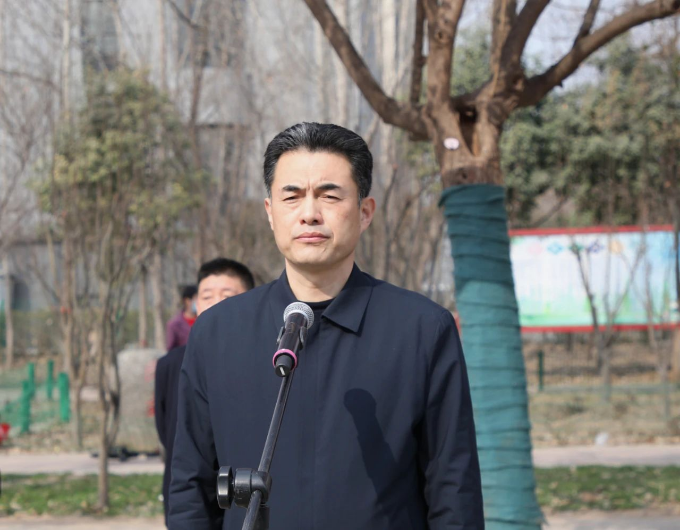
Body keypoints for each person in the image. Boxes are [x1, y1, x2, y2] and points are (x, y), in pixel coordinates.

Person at [169, 123, 484, 529]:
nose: (309, 214)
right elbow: (190, 487)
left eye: (329, 195)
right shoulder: (217, 332)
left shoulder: (422, 330)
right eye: (292, 197)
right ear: (270, 212)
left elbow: (453, 489)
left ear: (365, 212)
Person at [155, 258, 255, 525]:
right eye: (207, 296)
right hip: (194, 496)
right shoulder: (171, 365)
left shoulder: (271, 361)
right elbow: (167, 429)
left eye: (227, 295)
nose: (215, 304)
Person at [165, 285, 198, 351]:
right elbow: (171, 350)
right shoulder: (174, 324)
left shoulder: (205, 320)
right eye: (196, 298)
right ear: (187, 300)